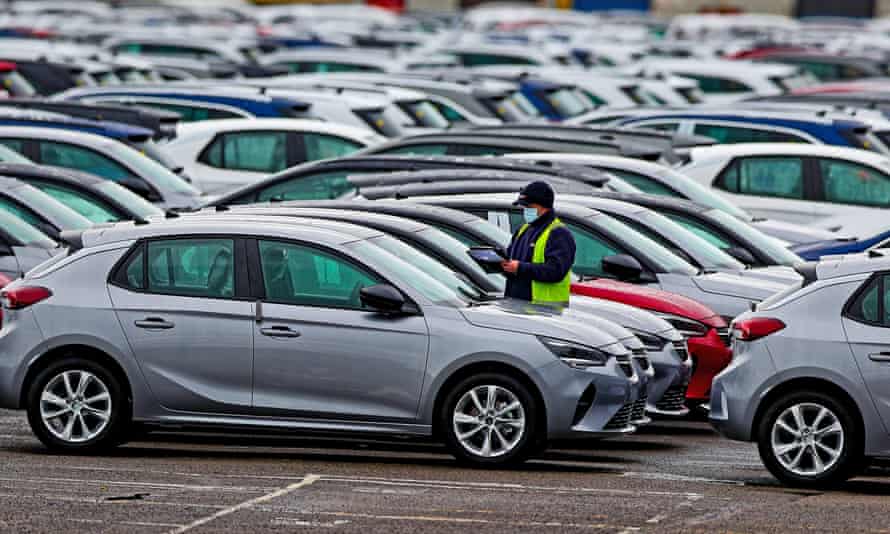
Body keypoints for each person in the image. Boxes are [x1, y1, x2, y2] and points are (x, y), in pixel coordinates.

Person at [501, 181, 576, 305]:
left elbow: (556, 271)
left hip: (545, 310)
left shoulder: (558, 233)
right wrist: (501, 264)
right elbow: (511, 260)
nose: (525, 210)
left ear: (544, 206)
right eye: (524, 207)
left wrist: (520, 268)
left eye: (529, 207)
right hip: (516, 304)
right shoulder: (523, 229)